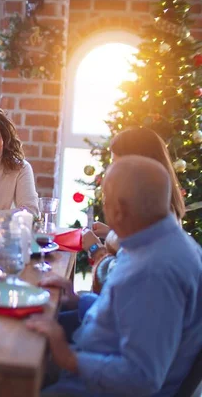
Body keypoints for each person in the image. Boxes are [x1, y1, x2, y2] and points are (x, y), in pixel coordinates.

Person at [28, 155, 202, 397]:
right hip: (89, 363)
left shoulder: (155, 271)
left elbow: (142, 378)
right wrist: (79, 300)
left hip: (91, 388)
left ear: (118, 210)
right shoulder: (157, 238)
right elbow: (131, 311)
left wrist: (68, 358)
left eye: (105, 202)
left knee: (3, 371)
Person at [85, 127, 186, 293]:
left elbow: (119, 281)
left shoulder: (153, 218)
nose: (111, 171)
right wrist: (110, 232)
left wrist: (95, 249)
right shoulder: (154, 207)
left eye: (117, 163)